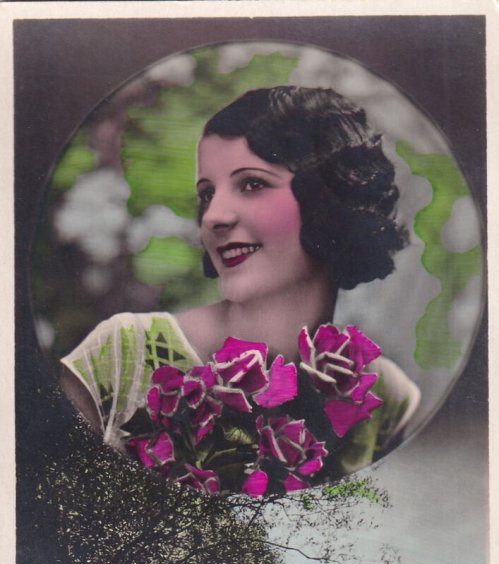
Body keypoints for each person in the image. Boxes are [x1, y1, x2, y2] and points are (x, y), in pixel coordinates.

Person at [61, 86, 420, 482]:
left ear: (329, 199)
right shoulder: (119, 354)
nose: (213, 216)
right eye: (207, 194)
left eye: (251, 184)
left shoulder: (388, 397)